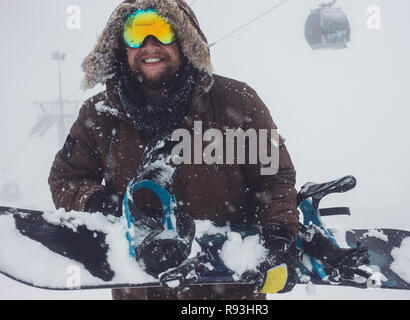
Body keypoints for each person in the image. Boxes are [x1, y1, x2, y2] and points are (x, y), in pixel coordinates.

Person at [48, 0, 365, 300]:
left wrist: (279, 230)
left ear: (184, 39)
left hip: (231, 294)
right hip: (140, 289)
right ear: (121, 45)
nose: (149, 45)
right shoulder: (99, 114)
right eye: (134, 33)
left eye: (161, 30)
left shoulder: (237, 102)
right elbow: (66, 179)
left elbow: (274, 177)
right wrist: (109, 206)